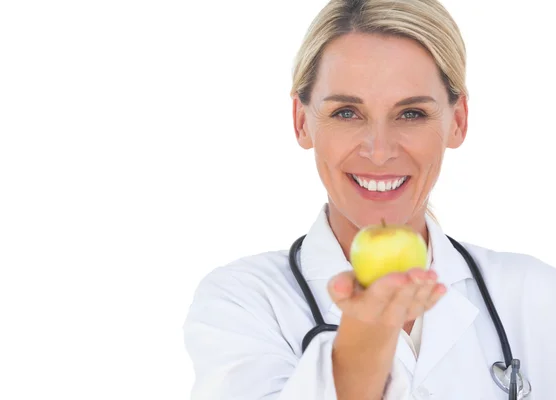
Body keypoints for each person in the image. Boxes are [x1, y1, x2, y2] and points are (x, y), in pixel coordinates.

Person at [182, 0, 556, 398]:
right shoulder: (243, 302)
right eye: (346, 113)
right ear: (301, 121)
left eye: (411, 113)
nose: (379, 152)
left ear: (458, 121)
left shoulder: (537, 297)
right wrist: (365, 343)